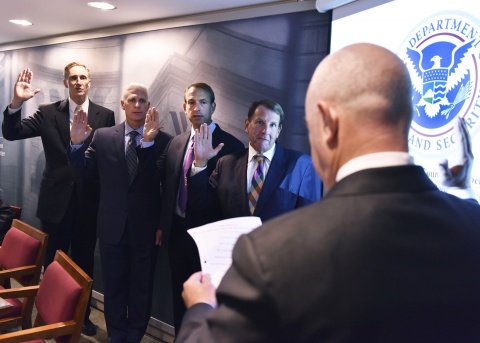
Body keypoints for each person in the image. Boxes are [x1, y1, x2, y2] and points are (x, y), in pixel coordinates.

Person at [175, 43, 480, 343]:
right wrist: (463, 195)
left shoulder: (268, 252)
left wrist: (201, 306)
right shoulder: (472, 223)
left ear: (327, 124)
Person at [1, 63, 115, 335]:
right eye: (73, 78)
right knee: (54, 262)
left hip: (89, 203)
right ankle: (49, 317)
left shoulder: (106, 115)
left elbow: (107, 160)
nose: (78, 82)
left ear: (90, 82)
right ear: (66, 83)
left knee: (85, 262)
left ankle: (82, 317)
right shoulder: (48, 113)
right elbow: (11, 133)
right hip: (56, 203)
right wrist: (16, 103)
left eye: (83, 77)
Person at [68, 83, 171, 343]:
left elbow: (159, 183)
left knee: (140, 289)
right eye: (132, 100)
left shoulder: (163, 141)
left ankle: (134, 337)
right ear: (123, 104)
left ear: (149, 106)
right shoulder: (102, 136)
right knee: (113, 287)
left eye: (143, 101)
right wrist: (77, 145)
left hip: (145, 230)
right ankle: (116, 336)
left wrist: (147, 144)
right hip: (111, 227)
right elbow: (84, 175)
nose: (138, 105)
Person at [149, 82, 244, 335]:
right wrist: (162, 225)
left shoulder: (232, 147)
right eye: (191, 102)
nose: (196, 107)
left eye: (203, 102)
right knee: (180, 299)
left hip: (211, 240)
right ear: (184, 107)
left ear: (213, 106)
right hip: (177, 234)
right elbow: (166, 188)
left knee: (208, 306)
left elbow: (231, 201)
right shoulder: (176, 142)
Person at [187, 99, 321, 225]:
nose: (265, 131)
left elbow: (310, 220)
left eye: (272, 125)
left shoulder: (302, 165)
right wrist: (200, 162)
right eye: (259, 122)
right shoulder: (226, 164)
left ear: (278, 131)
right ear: (247, 125)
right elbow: (201, 205)